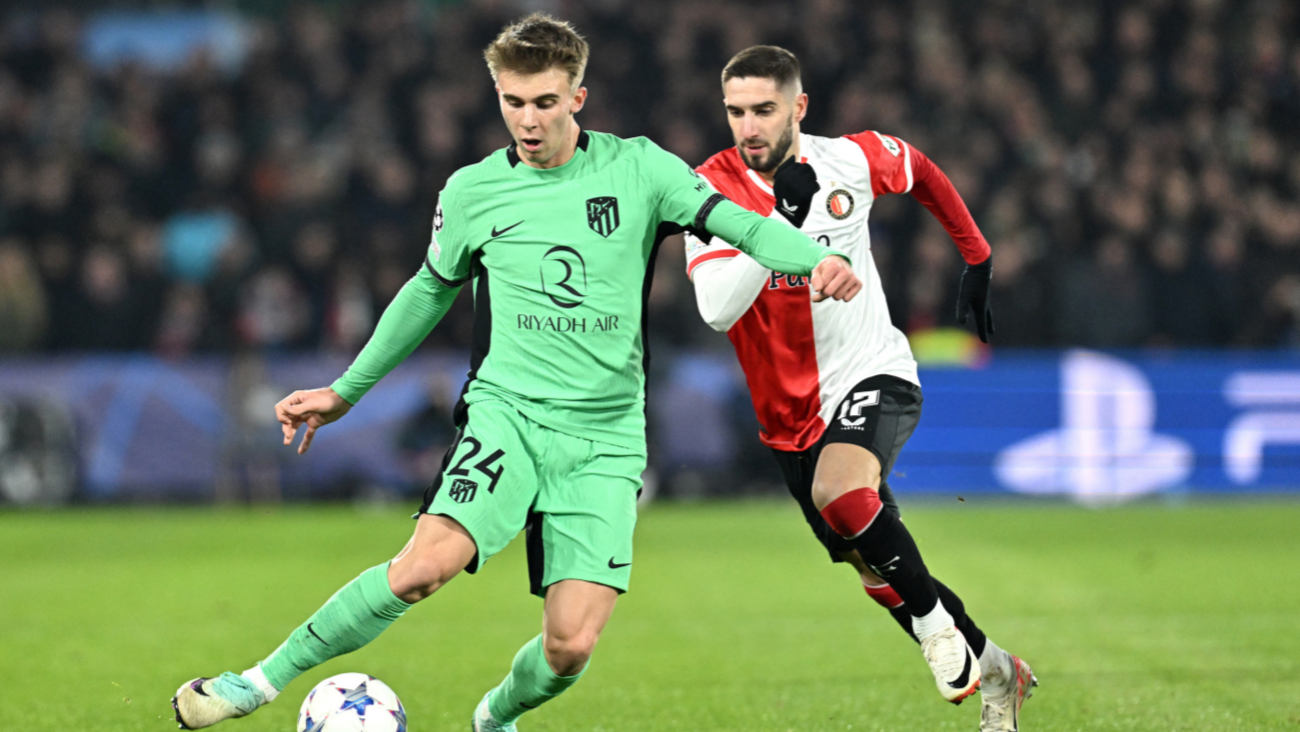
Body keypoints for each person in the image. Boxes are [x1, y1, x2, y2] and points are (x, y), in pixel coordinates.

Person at [170, 17, 863, 732]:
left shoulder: (641, 169)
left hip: (605, 436)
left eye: (543, 102)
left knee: (569, 646)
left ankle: (494, 716)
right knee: (422, 567)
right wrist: (345, 390)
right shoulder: (474, 191)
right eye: (512, 102)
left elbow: (744, 224)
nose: (527, 120)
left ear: (577, 98)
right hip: (508, 415)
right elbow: (427, 291)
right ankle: (254, 683)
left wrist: (817, 261)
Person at [683, 46, 1036, 731]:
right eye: (735, 112)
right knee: (877, 565)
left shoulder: (850, 159)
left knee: (843, 494)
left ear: (798, 107)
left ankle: (938, 632)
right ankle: (997, 670)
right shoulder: (708, 189)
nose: (748, 127)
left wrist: (977, 254)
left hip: (873, 371)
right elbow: (718, 309)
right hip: (788, 420)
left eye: (764, 110)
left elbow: (922, 171)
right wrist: (780, 227)